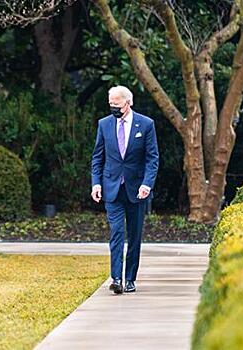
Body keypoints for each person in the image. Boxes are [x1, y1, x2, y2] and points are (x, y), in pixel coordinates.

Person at [91, 85, 159, 294]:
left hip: (137, 190)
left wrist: (147, 184)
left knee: (134, 235)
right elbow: (97, 157)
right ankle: (116, 279)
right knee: (117, 233)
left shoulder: (146, 124)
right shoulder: (104, 125)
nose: (113, 107)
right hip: (112, 188)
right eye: (110, 104)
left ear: (128, 103)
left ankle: (130, 278)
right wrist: (96, 183)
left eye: (117, 104)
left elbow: (152, 158)